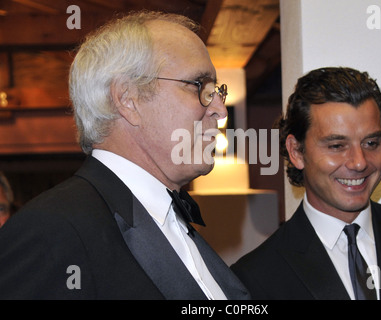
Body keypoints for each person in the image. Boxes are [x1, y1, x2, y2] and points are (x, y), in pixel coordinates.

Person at [0, 11, 249, 300]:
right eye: (199, 86)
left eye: (216, 90)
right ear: (128, 100)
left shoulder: (172, 219)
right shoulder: (51, 231)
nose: (220, 109)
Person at [231, 67, 381, 300]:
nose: (359, 162)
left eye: (371, 143)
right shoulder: (255, 278)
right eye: (337, 146)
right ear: (296, 152)